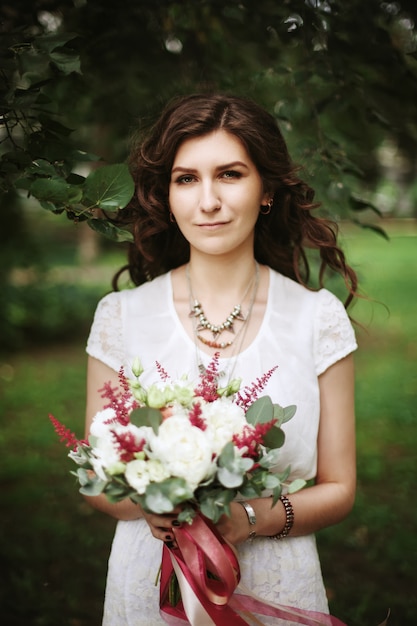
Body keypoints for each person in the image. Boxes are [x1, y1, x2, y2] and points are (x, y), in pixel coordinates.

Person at [84, 93, 358, 625]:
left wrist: (247, 519)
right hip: (148, 583)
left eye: (229, 174)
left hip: (278, 582)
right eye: (186, 179)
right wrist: (148, 506)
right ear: (166, 194)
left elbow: (340, 487)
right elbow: (95, 475)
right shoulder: (122, 316)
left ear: (267, 191)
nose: (207, 201)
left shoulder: (316, 318)